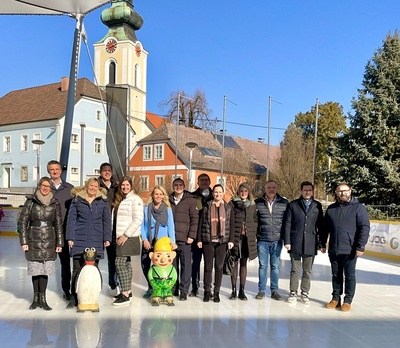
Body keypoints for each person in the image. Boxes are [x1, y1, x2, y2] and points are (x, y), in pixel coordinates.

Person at [320, 183, 370, 312]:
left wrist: (360, 246)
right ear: (336, 193)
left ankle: (347, 300)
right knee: (335, 274)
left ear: (350, 191)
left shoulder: (358, 208)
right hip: (334, 248)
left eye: (345, 191)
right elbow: (325, 228)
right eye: (339, 191)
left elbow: (364, 228)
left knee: (349, 275)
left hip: (350, 249)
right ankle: (336, 298)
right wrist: (322, 243)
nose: (343, 193)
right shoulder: (331, 209)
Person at [18, 176, 63, 311]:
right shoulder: (31, 202)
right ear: (39, 186)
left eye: (47, 186)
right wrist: (24, 241)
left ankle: (43, 299)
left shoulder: (54, 203)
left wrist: (59, 243)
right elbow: (23, 222)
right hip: (34, 239)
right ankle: (35, 299)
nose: (45, 188)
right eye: (43, 185)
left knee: (44, 271)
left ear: (50, 188)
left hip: (49, 239)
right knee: (36, 270)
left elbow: (58, 224)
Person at [66, 177, 112, 308]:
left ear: (98, 188)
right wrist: (70, 237)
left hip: (96, 238)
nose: (93, 188)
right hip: (79, 237)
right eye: (91, 186)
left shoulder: (102, 201)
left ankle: (92, 296)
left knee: (93, 269)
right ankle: (74, 297)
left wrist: (107, 238)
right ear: (86, 186)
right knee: (76, 269)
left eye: (95, 186)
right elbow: (71, 219)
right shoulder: (77, 200)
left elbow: (106, 221)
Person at [283, 181, 324, 304]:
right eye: (305, 190)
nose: (307, 192)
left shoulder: (317, 206)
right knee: (295, 270)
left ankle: (305, 293)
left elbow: (321, 226)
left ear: (313, 191)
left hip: (311, 242)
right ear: (301, 191)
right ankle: (293, 292)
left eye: (310, 190)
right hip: (295, 241)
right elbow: (287, 224)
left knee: (307, 270)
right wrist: (287, 240)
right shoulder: (293, 205)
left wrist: (321, 243)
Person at [197, 184, 234, 303]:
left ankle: (217, 292)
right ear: (212, 193)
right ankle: (207, 291)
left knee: (219, 267)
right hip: (208, 240)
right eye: (216, 192)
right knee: (208, 267)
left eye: (220, 192)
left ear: (223, 193)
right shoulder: (207, 206)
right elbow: (201, 223)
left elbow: (231, 225)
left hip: (222, 242)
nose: (218, 194)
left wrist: (231, 240)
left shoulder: (228, 207)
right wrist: (199, 239)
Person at [111, 176, 144, 306]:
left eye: (127, 185)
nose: (125, 187)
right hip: (119, 236)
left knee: (119, 263)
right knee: (126, 264)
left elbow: (138, 219)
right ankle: (128, 291)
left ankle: (125, 294)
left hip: (128, 237)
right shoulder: (122, 199)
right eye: (122, 185)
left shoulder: (135, 200)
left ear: (131, 186)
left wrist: (126, 235)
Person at [254, 180, 289, 301]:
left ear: (277, 188)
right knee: (263, 266)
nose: (271, 190)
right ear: (265, 188)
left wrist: (286, 238)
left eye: (274, 187)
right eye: (269, 187)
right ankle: (261, 290)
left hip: (277, 240)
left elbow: (287, 222)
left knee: (275, 266)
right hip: (262, 239)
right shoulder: (258, 202)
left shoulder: (284, 203)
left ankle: (274, 290)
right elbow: (254, 221)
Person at [141, 185, 176, 298]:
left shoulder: (167, 209)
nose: (158, 196)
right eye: (156, 194)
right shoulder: (146, 208)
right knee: (144, 264)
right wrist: (145, 239)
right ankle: (151, 287)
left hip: (163, 243)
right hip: (149, 240)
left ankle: (163, 288)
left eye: (161, 194)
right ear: (152, 195)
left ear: (163, 196)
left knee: (162, 265)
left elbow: (171, 226)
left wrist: (172, 241)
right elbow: (142, 225)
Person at [47, 160, 74, 301]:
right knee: (44, 263)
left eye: (57, 169)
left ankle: (66, 290)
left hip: (63, 232)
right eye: (52, 169)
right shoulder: (44, 188)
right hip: (48, 233)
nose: (55, 171)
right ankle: (41, 293)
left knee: (65, 263)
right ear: (49, 172)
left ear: (61, 171)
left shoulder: (70, 189)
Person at [169, 178, 199, 301]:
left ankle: (184, 290)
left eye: (180, 185)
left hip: (185, 239)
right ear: (173, 186)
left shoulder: (190, 200)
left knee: (186, 266)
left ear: (184, 186)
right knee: (173, 266)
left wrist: (192, 236)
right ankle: (174, 287)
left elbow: (195, 219)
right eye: (176, 185)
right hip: (171, 240)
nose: (178, 187)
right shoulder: (169, 200)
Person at [229, 182, 257, 301]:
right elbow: (229, 220)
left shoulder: (252, 205)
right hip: (235, 237)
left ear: (249, 192)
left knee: (244, 263)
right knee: (234, 263)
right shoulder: (232, 204)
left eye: (246, 191)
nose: (243, 193)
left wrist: (252, 232)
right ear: (238, 192)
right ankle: (234, 290)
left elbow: (256, 221)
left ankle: (242, 290)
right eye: (241, 191)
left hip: (247, 238)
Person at [190, 173, 213, 297]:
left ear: (210, 182)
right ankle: (194, 287)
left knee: (209, 264)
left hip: (210, 235)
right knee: (195, 263)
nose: (204, 182)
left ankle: (208, 288)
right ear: (198, 182)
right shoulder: (193, 197)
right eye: (201, 180)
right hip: (195, 235)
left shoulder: (215, 196)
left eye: (206, 180)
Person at [98, 162, 119, 291]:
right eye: (104, 170)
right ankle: (94, 283)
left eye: (109, 170)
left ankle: (113, 283)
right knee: (95, 258)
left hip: (112, 228)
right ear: (100, 172)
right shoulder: (96, 185)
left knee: (113, 259)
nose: (107, 172)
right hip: (98, 227)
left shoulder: (116, 187)